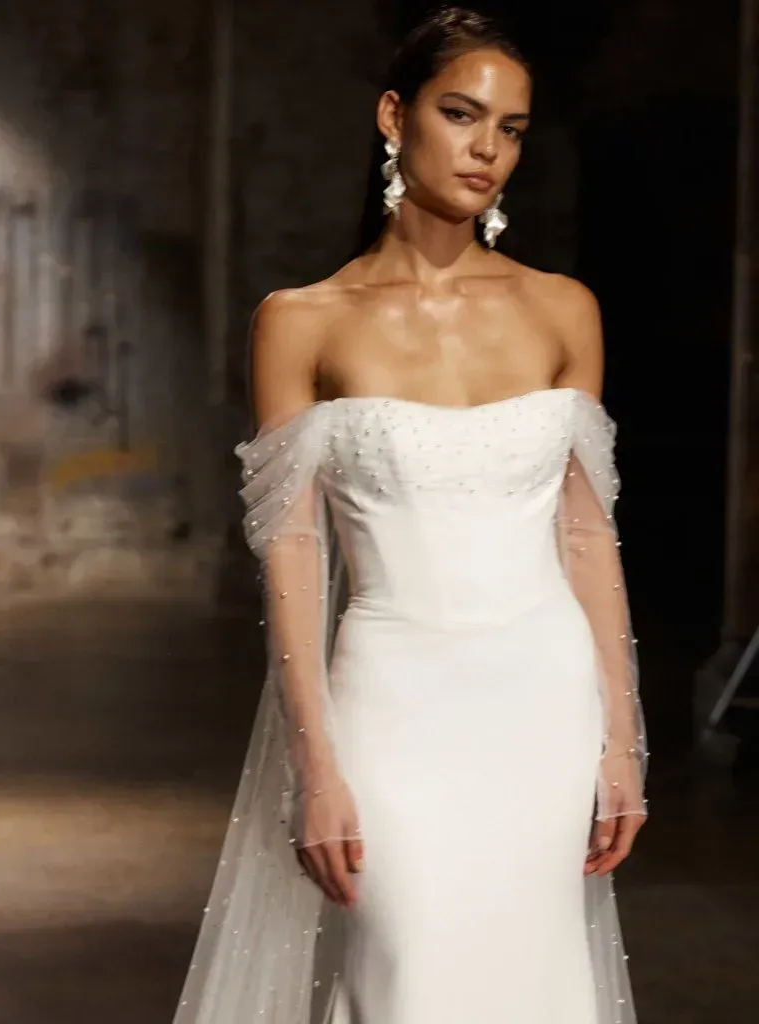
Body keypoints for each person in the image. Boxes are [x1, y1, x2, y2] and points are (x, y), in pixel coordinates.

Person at [173, 7, 648, 1023]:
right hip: (391, 702)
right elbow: (291, 551)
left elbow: (585, 536)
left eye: (511, 128)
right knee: (409, 980)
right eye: (460, 114)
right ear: (395, 116)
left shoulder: (564, 308)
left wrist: (622, 739)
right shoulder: (301, 321)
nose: (486, 149)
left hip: (545, 703)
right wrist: (315, 764)